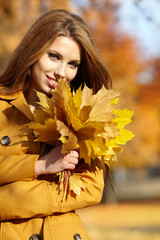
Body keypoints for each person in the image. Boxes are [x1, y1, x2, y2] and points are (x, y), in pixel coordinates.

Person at [0, 9, 111, 240]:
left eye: (73, 64)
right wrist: (39, 166)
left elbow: (92, 189)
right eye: (54, 56)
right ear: (34, 50)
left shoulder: (82, 115)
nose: (62, 72)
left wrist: (8, 199)